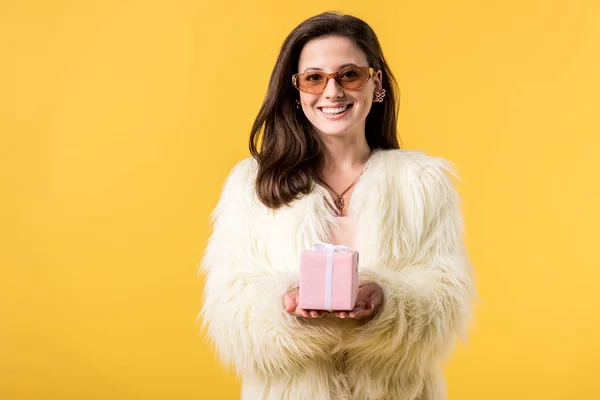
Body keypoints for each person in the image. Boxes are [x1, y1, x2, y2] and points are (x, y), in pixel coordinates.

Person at [198, 11, 477, 400]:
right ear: (295, 92)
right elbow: (229, 309)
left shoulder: (422, 183)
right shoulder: (252, 184)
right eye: (314, 78)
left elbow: (448, 301)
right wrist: (285, 305)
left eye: (349, 75)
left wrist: (386, 301)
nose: (332, 92)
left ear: (375, 82)